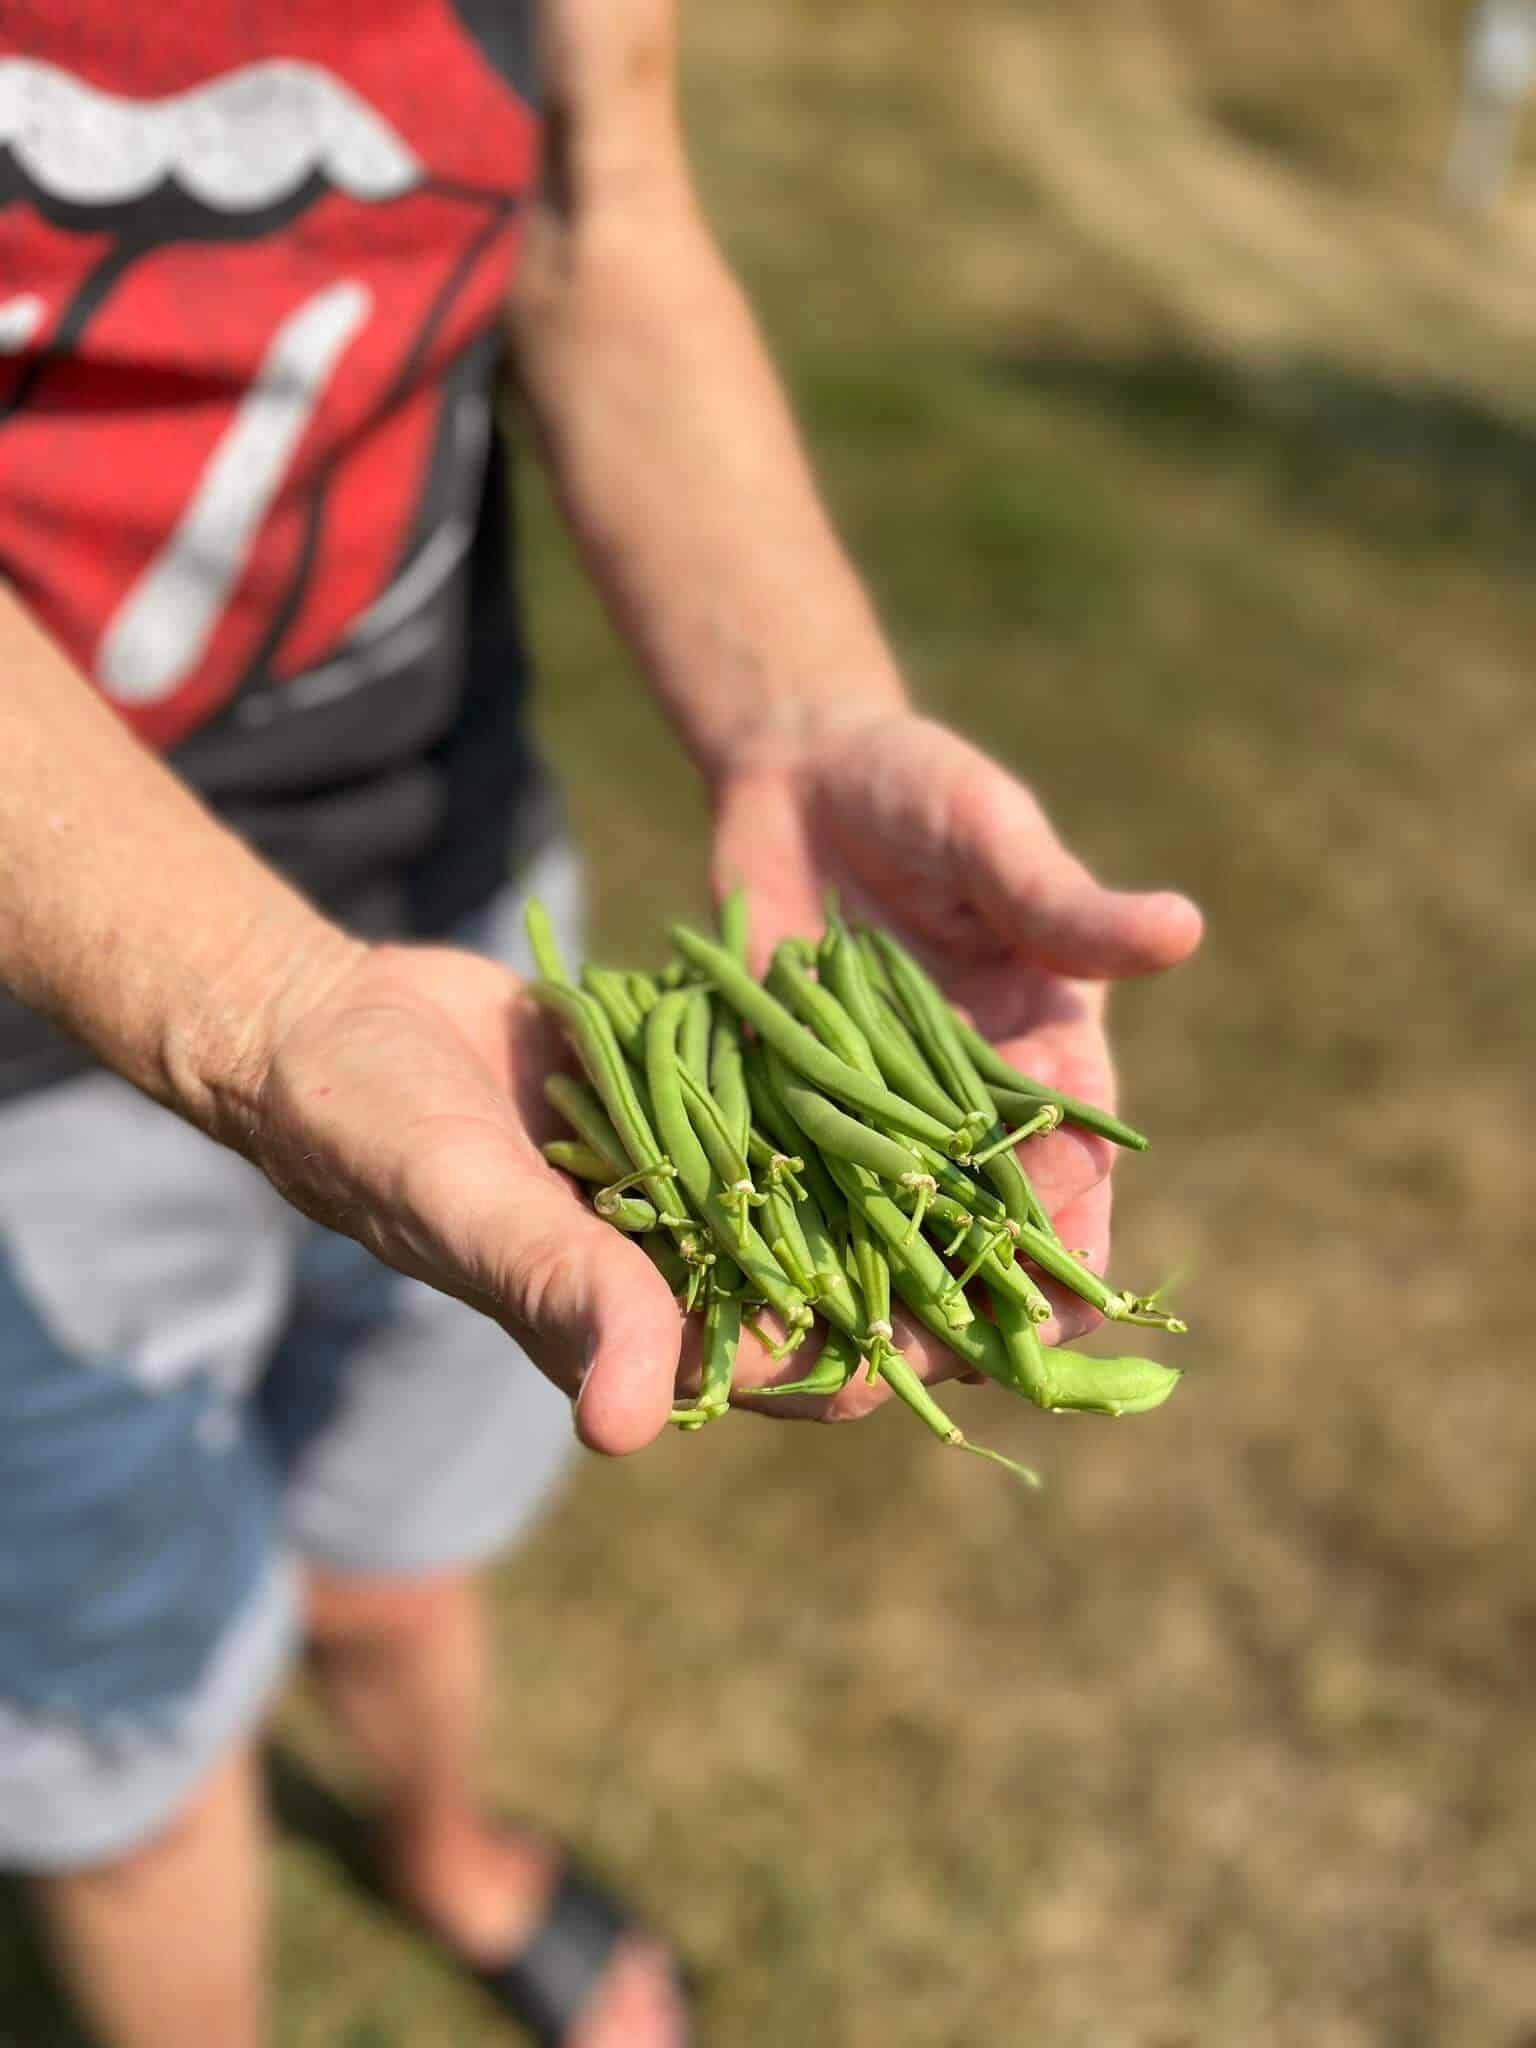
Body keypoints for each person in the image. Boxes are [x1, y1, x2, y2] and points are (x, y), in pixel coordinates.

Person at [0, 1, 1203, 2042]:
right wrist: (265, 1007)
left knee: (400, 1546)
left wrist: (802, 713)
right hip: (35, 1074)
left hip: (459, 900)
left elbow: (592, 206)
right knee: (124, 1736)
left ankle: (445, 1842)